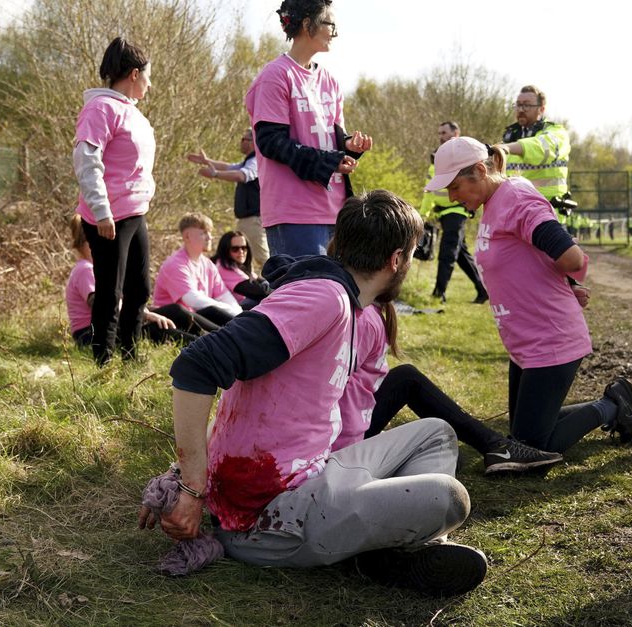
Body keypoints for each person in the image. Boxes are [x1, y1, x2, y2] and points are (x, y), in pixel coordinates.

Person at [148, 190, 487, 597]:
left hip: (313, 472)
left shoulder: (351, 306)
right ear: (396, 260)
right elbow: (196, 365)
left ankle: (399, 547)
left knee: (436, 433)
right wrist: (188, 487)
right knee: (448, 498)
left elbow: (245, 413)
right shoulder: (323, 298)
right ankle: (392, 549)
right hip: (267, 519)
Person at [427, 137, 632, 456]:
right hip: (526, 344)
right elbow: (531, 255)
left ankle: (612, 405)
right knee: (523, 434)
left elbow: (570, 256)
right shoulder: (493, 204)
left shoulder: (515, 197)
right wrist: (568, 283)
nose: (451, 196)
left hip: (551, 339)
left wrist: (570, 278)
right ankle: (611, 401)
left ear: (478, 170)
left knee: (531, 448)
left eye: (454, 186)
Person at [327, 298, 563, 475]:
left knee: (406, 379)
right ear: (394, 260)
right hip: (333, 448)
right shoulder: (363, 319)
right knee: (408, 381)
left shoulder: (365, 313)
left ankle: (496, 446)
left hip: (336, 438)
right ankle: (497, 446)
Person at [245, 0, 373, 257]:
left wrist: (347, 146)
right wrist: (329, 161)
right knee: (302, 294)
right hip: (294, 213)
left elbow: (331, 139)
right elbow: (271, 142)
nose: (335, 32)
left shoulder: (331, 81)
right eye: (330, 24)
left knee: (338, 294)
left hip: (336, 211)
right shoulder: (275, 76)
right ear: (307, 25)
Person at [74, 37, 156, 366]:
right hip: (109, 217)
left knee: (140, 289)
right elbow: (86, 160)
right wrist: (101, 211)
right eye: (148, 76)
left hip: (135, 213)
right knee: (111, 291)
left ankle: (129, 354)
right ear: (134, 74)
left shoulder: (132, 112)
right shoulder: (100, 108)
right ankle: (103, 362)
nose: (150, 84)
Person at [65, 216, 193, 349]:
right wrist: (148, 316)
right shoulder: (86, 269)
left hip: (109, 325)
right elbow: (105, 305)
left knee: (175, 311)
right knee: (157, 328)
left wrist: (150, 311)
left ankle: (210, 337)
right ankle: (202, 348)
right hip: (89, 334)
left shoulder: (101, 268)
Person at [419, 121, 488, 304]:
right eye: (439, 133)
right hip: (443, 214)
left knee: (448, 251)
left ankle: (438, 293)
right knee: (460, 254)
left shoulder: (463, 160)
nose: (441, 136)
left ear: (456, 133)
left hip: (457, 211)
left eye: (444, 132)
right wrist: (423, 214)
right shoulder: (436, 159)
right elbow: (429, 192)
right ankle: (483, 290)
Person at [186, 129, 270, 270]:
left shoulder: (255, 161)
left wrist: (215, 174)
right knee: (247, 258)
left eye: (243, 139)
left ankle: (280, 287)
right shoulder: (249, 161)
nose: (241, 142)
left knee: (264, 259)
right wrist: (207, 162)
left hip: (253, 220)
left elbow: (241, 176)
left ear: (252, 142)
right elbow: (228, 167)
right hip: (248, 220)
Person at [151, 214, 242, 334]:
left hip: (197, 317)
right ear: (187, 236)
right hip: (171, 322)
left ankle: (240, 330)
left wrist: (239, 314)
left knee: (219, 313)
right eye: (203, 233)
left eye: (210, 232)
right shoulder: (175, 264)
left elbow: (224, 295)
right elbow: (193, 300)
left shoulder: (208, 264)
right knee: (211, 312)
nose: (209, 237)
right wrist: (232, 313)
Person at [495, 85, 572, 223]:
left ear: (541, 109)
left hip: (547, 214)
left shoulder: (557, 133)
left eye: (527, 105)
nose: (520, 110)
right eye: (518, 105)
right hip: (515, 214)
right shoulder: (510, 137)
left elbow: (541, 148)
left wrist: (505, 148)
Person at [211, 231, 271, 307]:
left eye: (244, 248)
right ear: (225, 250)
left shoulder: (237, 265)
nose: (241, 252)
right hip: (233, 311)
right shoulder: (224, 268)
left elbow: (260, 281)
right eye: (235, 249)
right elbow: (260, 293)